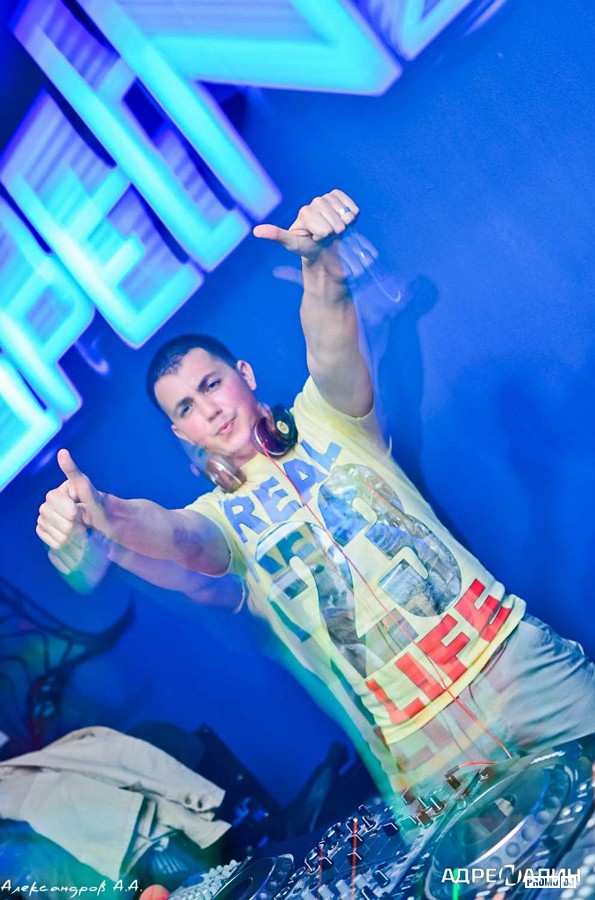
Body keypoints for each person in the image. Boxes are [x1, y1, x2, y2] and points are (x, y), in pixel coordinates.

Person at [36, 190, 595, 808]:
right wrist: (105, 513)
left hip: (511, 663)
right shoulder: (214, 520)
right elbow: (173, 536)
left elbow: (331, 339)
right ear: (181, 434)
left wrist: (319, 260)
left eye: (212, 384)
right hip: (421, 748)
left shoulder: (328, 415)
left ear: (244, 376)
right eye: (187, 408)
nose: (210, 410)